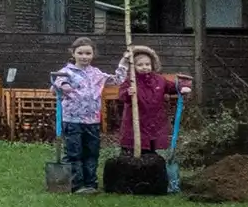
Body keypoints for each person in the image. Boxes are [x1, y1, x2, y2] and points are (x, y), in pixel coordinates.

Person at [50, 38, 107, 193]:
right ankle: (77, 185)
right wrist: (64, 85)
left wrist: (124, 62)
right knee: (74, 152)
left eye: (88, 53)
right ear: (73, 53)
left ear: (93, 54)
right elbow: (54, 87)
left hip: (92, 120)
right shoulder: (66, 71)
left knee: (92, 153)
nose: (84, 56)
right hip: (72, 120)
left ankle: (90, 184)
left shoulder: (96, 73)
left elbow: (116, 78)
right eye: (80, 53)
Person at [112, 45, 191, 155]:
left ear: (152, 65)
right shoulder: (130, 80)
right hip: (135, 123)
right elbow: (122, 96)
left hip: (155, 123)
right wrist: (128, 93)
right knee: (132, 153)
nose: (144, 67)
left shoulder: (159, 80)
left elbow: (172, 87)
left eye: (147, 64)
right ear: (133, 66)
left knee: (151, 154)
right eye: (140, 65)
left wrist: (182, 87)